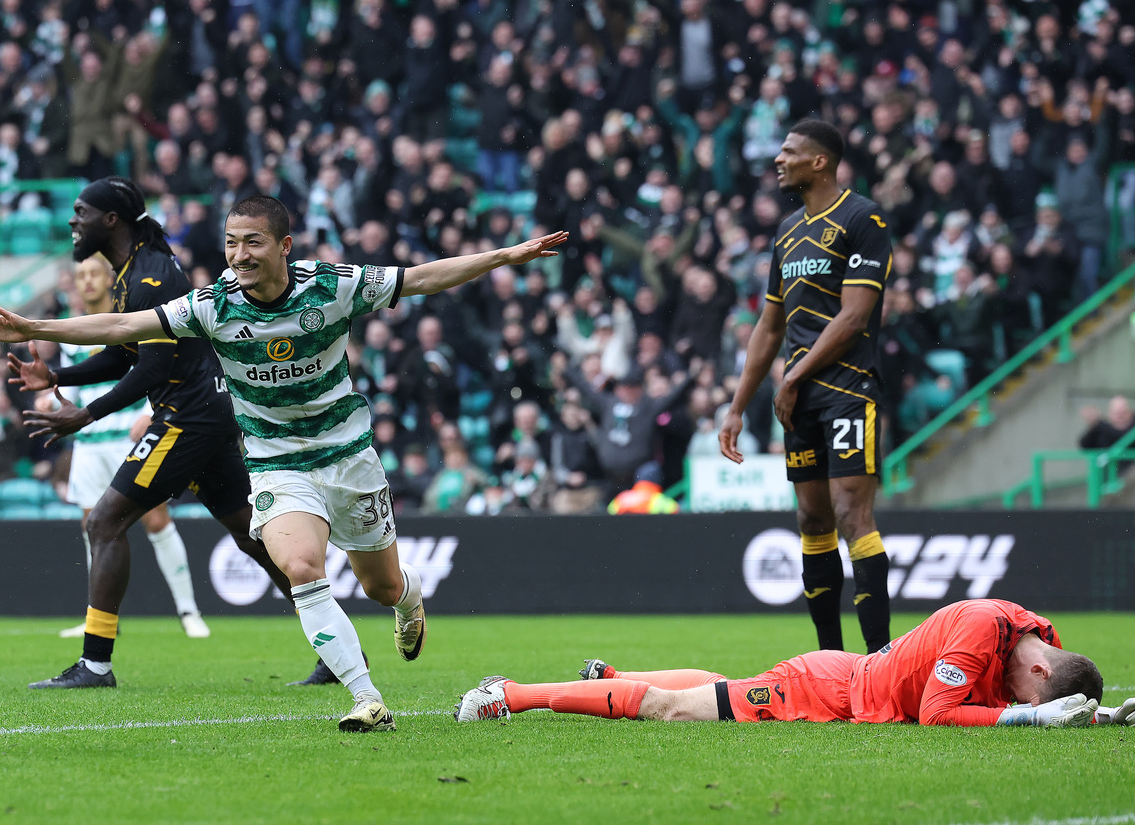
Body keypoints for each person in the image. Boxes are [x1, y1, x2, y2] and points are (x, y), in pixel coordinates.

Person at [0, 194, 569, 732]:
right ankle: (366, 698)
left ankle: (409, 600)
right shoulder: (213, 304)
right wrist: (34, 327)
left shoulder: (331, 286)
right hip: (276, 460)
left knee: (380, 585)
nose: (239, 255)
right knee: (302, 567)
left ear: (284, 246)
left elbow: (420, 278)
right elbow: (126, 325)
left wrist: (502, 256)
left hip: (348, 456)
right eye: (231, 243)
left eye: (252, 242)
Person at [0, 177, 295, 693]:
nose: (73, 221)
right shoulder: (137, 269)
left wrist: (86, 415)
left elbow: (153, 367)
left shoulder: (149, 276)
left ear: (111, 219)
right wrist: (58, 376)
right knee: (252, 537)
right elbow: (123, 352)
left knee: (105, 520)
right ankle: (337, 645)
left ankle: (95, 664)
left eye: (82, 212)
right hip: (207, 411)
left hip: (187, 417)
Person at [718, 120, 894, 654]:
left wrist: (792, 376)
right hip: (799, 401)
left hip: (848, 387)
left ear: (819, 162)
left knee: (850, 513)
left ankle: (880, 659)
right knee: (812, 519)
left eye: (790, 151)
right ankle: (829, 660)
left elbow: (855, 316)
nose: (779, 159)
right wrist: (736, 408)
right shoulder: (788, 232)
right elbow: (769, 327)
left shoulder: (863, 218)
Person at [455, 598, 1134, 728]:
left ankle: (609, 679)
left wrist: (1096, 715)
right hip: (825, 690)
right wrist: (1027, 720)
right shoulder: (980, 631)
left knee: (720, 687)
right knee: (673, 710)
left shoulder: (1038, 635)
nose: (1014, 701)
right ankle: (509, 693)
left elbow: (1044, 694)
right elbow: (936, 713)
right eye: (1026, 698)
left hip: (843, 672)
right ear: (1039, 674)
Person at [54, 254, 210, 640]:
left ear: (109, 279)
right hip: (89, 446)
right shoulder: (71, 331)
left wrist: (148, 412)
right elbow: (81, 384)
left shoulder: (131, 317)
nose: (87, 281)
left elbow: (153, 367)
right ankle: (100, 617)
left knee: (156, 520)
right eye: (81, 275)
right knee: (93, 527)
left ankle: (188, 610)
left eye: (94, 273)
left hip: (130, 438)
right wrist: (53, 401)